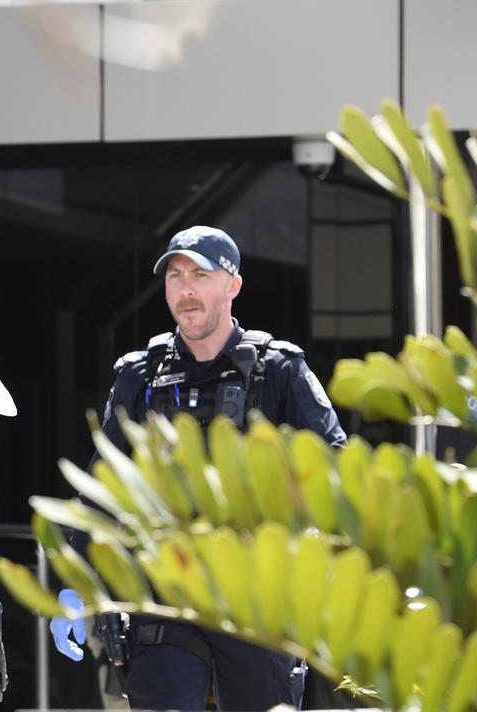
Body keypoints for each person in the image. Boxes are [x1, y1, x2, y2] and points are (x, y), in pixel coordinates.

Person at [51, 225, 346, 711]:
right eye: (175, 276)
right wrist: (78, 584)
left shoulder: (280, 370)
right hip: (166, 594)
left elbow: (335, 473)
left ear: (232, 285)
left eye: (200, 274)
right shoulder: (140, 376)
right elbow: (105, 487)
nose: (185, 289)